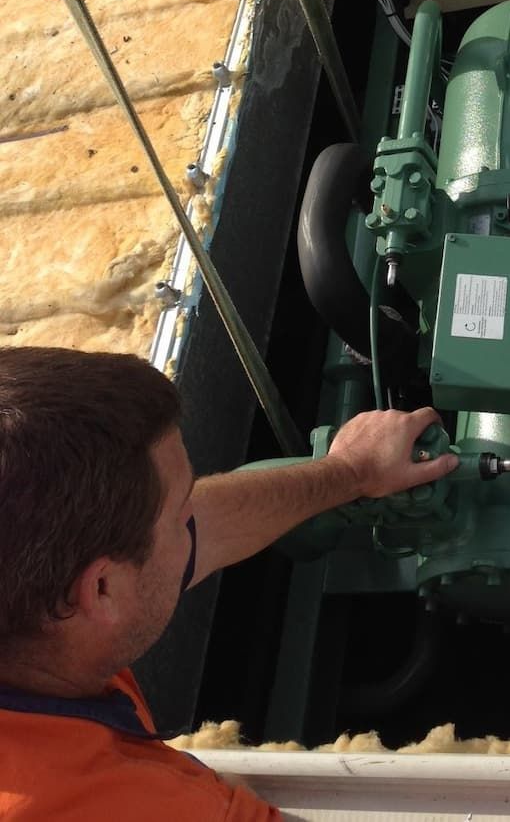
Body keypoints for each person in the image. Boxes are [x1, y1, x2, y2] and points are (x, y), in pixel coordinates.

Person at [0, 346, 457, 820]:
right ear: (101, 590)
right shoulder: (105, 805)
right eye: (180, 515)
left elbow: (211, 523)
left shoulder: (38, 603)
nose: (194, 519)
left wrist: (350, 471)